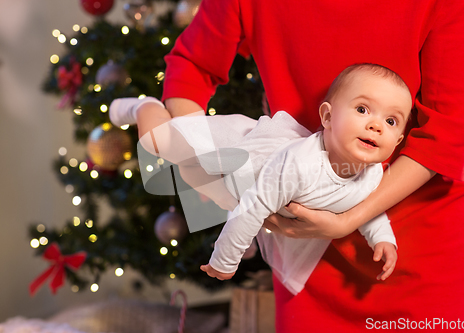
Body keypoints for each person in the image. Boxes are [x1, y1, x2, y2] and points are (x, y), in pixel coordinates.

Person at [126, 0, 464, 331]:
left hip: (427, 248)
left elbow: (446, 133)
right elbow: (192, 65)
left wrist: (348, 219)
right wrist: (211, 177)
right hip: (307, 252)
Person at [110, 63, 412, 295]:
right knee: (157, 143)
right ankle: (143, 106)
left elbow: (368, 204)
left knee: (192, 175)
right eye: (362, 109)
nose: (376, 126)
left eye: (390, 121)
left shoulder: (372, 174)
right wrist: (226, 259)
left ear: (397, 141)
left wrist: (383, 238)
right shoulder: (299, 164)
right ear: (328, 118)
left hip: (242, 189)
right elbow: (251, 209)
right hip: (238, 154)